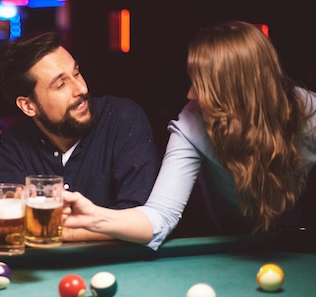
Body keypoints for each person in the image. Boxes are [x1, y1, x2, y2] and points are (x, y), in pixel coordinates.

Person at [62, 20, 316, 249]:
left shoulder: (310, 116)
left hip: (294, 243)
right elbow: (160, 216)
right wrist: (95, 216)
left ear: (236, 91)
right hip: (223, 246)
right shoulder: (193, 121)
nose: (190, 94)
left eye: (202, 85)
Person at [0, 32, 160, 242]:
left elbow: (139, 217)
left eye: (76, 73)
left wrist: (60, 231)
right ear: (28, 106)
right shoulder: (15, 141)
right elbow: (15, 222)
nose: (81, 88)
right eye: (61, 84)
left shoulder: (123, 119)